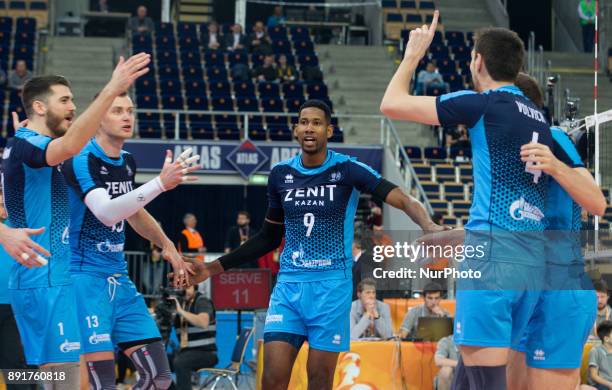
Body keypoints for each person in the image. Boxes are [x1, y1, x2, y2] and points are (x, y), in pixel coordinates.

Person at [172, 99, 444, 390]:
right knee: (272, 380)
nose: (309, 128)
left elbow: (401, 197)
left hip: (331, 289)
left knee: (318, 381)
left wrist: (428, 226)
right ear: (296, 130)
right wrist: (212, 268)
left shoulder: (348, 170)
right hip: (289, 287)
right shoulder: (280, 175)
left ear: (329, 130)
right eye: (303, 122)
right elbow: (268, 237)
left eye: (316, 123)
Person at [380, 12, 555, 389]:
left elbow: (391, 104)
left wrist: (412, 55)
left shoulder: (485, 103)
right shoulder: (539, 117)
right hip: (530, 263)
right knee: (469, 373)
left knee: (485, 379)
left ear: (478, 61)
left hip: (491, 262)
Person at [1, 53, 150, 387]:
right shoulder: (29, 145)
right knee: (65, 380)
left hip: (49, 279)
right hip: (45, 280)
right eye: (65, 100)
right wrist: (112, 89)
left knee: (47, 377)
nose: (72, 107)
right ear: (40, 107)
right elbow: (70, 145)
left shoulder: (23, 145)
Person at [62, 91, 199, 390]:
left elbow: (133, 210)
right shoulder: (81, 159)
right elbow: (107, 212)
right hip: (84, 279)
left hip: (118, 279)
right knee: (102, 382)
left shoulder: (126, 161)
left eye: (130, 110)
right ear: (98, 118)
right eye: (117, 110)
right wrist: (160, 184)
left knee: (160, 378)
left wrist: (168, 245)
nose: (127, 116)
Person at [505, 72, 604, 390]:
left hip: (559, 286)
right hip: (524, 289)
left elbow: (595, 201)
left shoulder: (553, 138)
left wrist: (555, 164)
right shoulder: (505, 154)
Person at [169, 285, 218, 390]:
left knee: (180, 362)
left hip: (206, 353)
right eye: (181, 288)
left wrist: (180, 311)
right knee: (160, 362)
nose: (183, 291)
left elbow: (203, 322)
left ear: (195, 287)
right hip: (185, 352)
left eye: (187, 287)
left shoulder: (202, 301)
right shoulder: (180, 303)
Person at [587, 321, 612, 390]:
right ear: (606, 339)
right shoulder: (595, 351)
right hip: (600, 384)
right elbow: (594, 375)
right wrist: (610, 384)